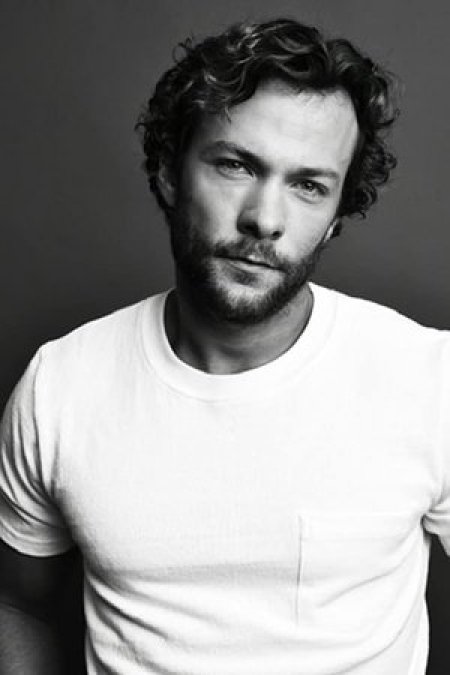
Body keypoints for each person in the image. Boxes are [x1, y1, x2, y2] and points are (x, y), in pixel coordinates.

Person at [0, 16, 448, 675]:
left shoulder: (428, 378)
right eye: (236, 165)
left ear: (335, 217)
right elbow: (19, 601)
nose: (265, 219)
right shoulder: (60, 385)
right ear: (169, 172)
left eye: (309, 186)